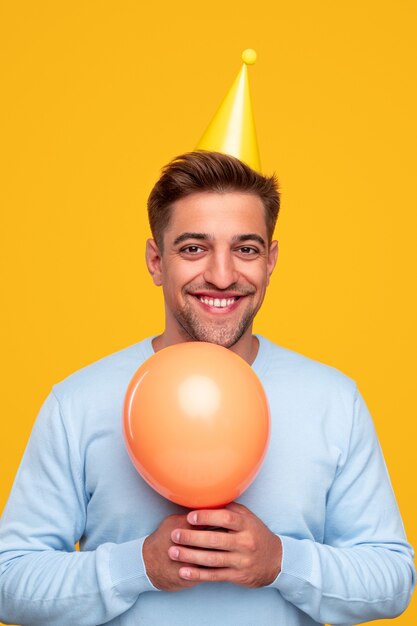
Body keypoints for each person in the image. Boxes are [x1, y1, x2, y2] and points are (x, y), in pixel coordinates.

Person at [0, 151, 415, 626]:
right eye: (194, 248)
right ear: (156, 262)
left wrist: (282, 562)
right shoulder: (76, 404)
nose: (222, 275)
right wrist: (139, 566)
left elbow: (392, 578)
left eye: (246, 249)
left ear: (272, 260)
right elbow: (10, 584)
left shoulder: (335, 401)